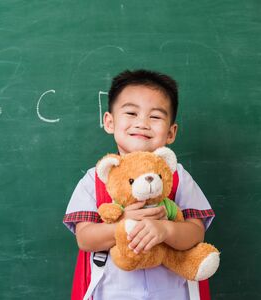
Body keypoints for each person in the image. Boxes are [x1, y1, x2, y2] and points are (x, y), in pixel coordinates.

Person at [63, 69, 215, 299]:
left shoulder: (177, 176)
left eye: (155, 117)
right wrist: (123, 226)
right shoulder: (95, 179)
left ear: (171, 133)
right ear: (109, 122)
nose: (142, 123)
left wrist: (166, 229)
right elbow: (85, 239)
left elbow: (196, 232)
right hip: (112, 292)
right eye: (131, 113)